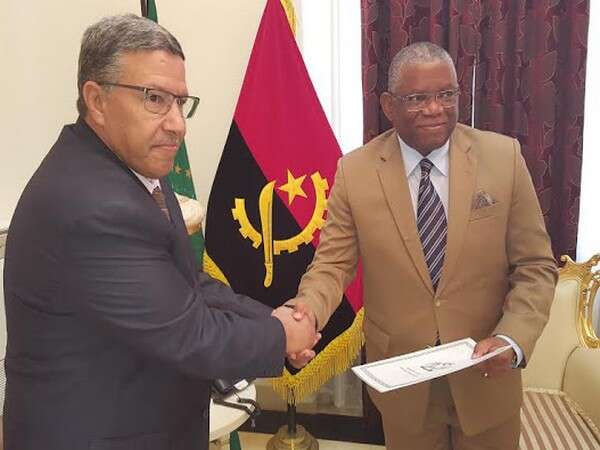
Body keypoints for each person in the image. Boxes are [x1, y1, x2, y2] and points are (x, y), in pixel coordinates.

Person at [3, 14, 317, 450]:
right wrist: (283, 335)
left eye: (180, 102)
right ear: (96, 100)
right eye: (155, 99)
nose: (178, 124)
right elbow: (189, 335)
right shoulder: (93, 204)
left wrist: (271, 319)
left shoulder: (134, 169)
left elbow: (185, 282)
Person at [288, 42, 557, 449]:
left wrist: (513, 338)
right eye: (417, 98)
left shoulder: (503, 158)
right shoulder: (355, 172)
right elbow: (332, 265)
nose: (434, 109)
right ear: (388, 105)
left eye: (446, 94)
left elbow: (535, 266)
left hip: (486, 374)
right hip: (403, 383)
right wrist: (305, 312)